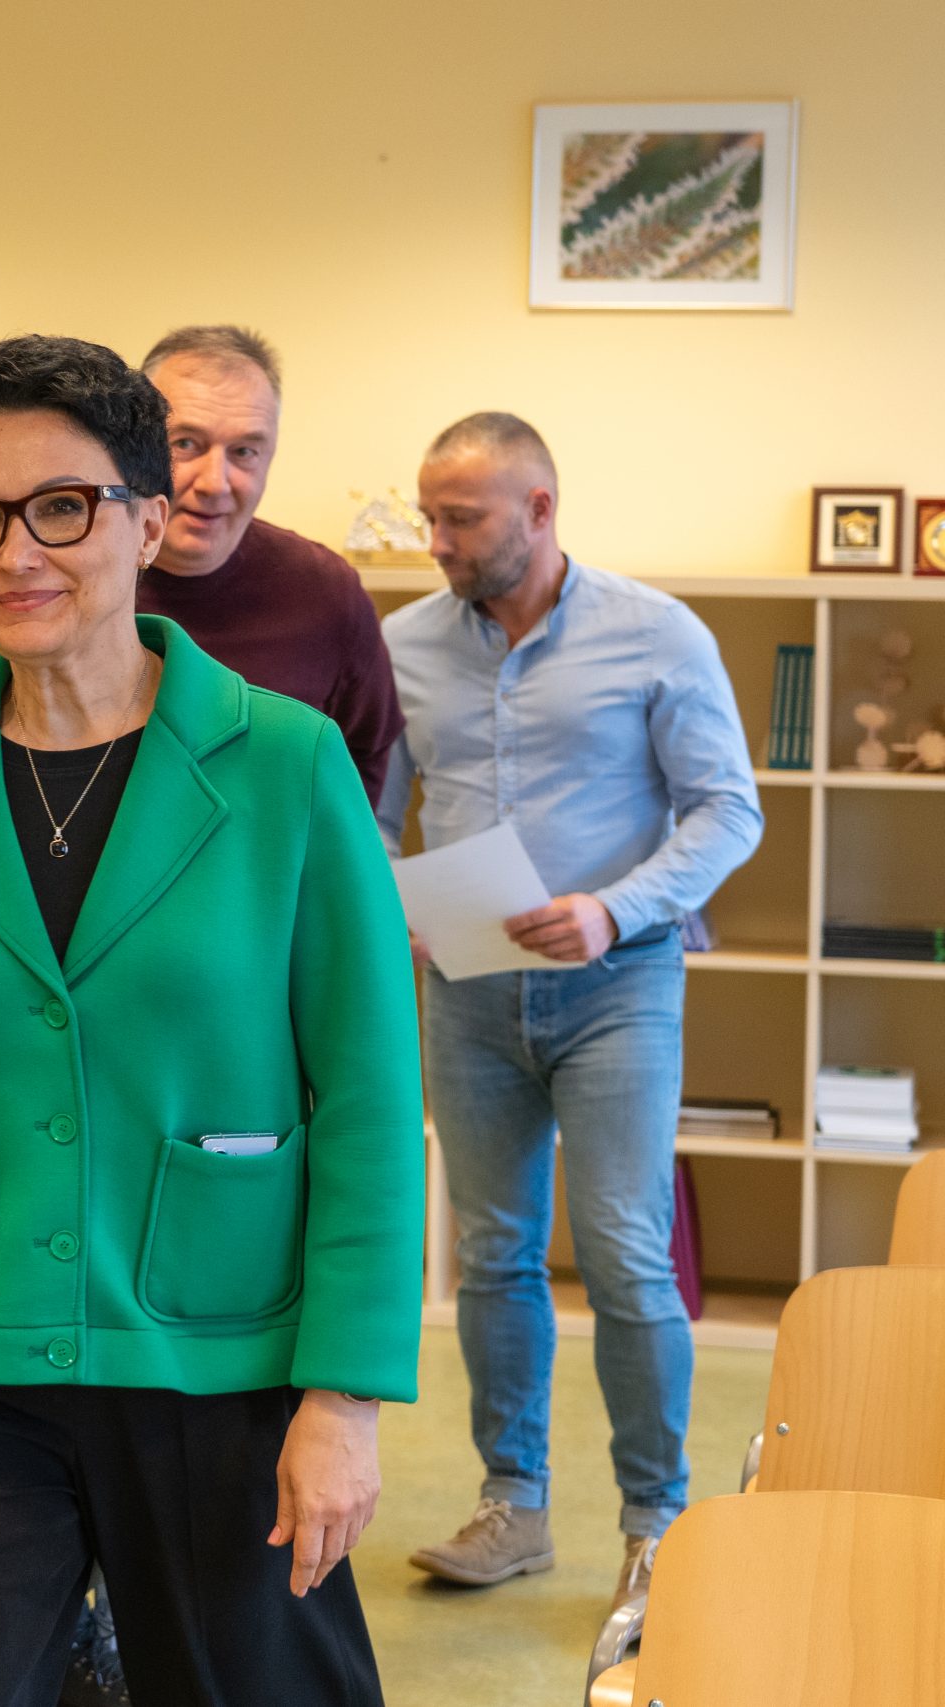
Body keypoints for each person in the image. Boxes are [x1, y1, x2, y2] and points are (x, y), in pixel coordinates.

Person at [0, 336, 423, 1707]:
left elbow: (371, 1098)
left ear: (146, 520)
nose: (15, 551)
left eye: (62, 507)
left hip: (222, 1347)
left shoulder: (288, 763)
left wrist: (344, 1395)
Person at [384, 413, 763, 1618]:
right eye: (428, 517)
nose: (437, 541)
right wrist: (390, 908)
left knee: (621, 1252)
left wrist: (612, 909)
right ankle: (514, 1506)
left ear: (539, 511)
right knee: (492, 1256)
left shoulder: (657, 632)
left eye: (461, 519)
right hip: (467, 991)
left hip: (619, 985)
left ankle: (659, 1526)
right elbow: (369, 815)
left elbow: (726, 810)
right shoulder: (400, 645)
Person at [0, 324, 400, 863]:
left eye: (245, 451)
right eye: (186, 444)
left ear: (148, 527)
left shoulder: (324, 596)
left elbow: (364, 754)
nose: (214, 481)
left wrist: (314, 870)